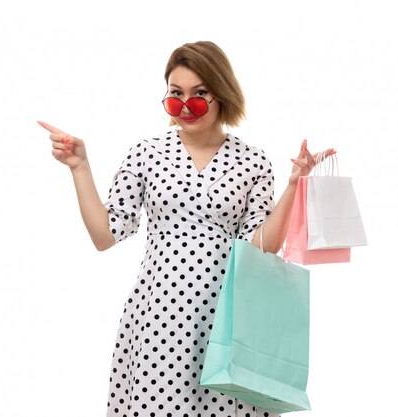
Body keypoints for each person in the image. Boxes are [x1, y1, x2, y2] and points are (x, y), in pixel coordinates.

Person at [38, 41, 334, 417]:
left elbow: (263, 245)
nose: (185, 105)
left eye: (199, 94)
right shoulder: (145, 154)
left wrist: (294, 184)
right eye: (176, 94)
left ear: (221, 92)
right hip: (159, 317)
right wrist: (80, 168)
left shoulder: (253, 161)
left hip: (228, 321)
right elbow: (105, 235)